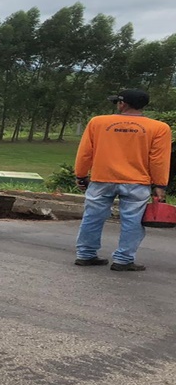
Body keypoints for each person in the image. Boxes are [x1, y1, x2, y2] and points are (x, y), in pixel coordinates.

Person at [73, 88, 171, 272]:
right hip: (137, 182)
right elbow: (158, 160)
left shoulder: (98, 122)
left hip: (102, 178)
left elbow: (86, 152)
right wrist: (160, 185)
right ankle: (123, 260)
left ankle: (85, 255)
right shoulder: (159, 128)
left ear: (122, 103)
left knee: (92, 217)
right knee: (132, 221)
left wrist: (81, 174)